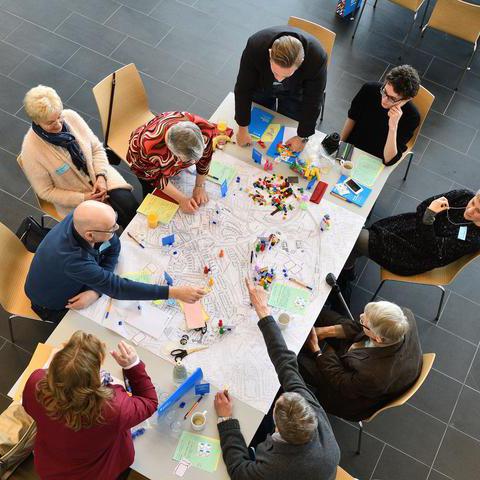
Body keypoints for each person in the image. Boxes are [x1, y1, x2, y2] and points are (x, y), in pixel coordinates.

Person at [213, 279, 340, 480]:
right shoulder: (312, 413)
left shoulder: (275, 467)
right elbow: (285, 362)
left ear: (277, 427)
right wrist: (263, 311)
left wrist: (225, 420)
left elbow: (239, 471)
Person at [25, 200, 205, 324]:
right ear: (90, 235)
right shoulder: (73, 259)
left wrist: (96, 289)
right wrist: (173, 293)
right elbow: (118, 288)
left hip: (67, 276)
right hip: (52, 303)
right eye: (111, 228)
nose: (117, 229)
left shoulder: (83, 220)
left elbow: (113, 248)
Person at [23, 331, 157, 480]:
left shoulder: (35, 383)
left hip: (52, 467)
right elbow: (149, 402)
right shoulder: (113, 408)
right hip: (97, 473)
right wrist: (133, 365)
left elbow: (30, 409)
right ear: (94, 377)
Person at [21, 85, 139, 228]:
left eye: (59, 117)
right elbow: (46, 191)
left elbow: (96, 149)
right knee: (103, 229)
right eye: (51, 123)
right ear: (36, 121)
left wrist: (101, 177)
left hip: (101, 176)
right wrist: (84, 198)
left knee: (129, 207)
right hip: (75, 198)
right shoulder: (31, 151)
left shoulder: (70, 116)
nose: (58, 124)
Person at [298, 301, 422, 422]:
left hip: (345, 393)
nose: (360, 316)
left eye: (364, 321)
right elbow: (361, 329)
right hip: (360, 353)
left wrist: (317, 351)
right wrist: (325, 332)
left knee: (295, 360)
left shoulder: (375, 376)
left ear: (377, 339)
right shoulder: (403, 316)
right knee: (319, 312)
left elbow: (341, 382)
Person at [234, 26, 328, 153]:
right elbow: (243, 88)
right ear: (269, 54)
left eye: (286, 75)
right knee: (262, 114)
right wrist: (242, 128)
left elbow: (314, 100)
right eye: (275, 72)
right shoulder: (255, 47)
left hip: (296, 90)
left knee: (289, 122)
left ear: (301, 62)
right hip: (261, 84)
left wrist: (302, 137)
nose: (279, 80)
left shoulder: (317, 58)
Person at [347, 189, 480, 276]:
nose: (469, 210)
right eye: (473, 202)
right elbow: (423, 207)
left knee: (355, 237)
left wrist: (428, 217)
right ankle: (348, 269)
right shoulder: (464, 195)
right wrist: (427, 217)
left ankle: (345, 276)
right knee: (358, 239)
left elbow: (434, 250)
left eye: (478, 211)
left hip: (413, 256)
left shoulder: (474, 238)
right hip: (408, 227)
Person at [127, 111, 232, 212]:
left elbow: (205, 158)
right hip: (143, 164)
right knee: (152, 194)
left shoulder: (204, 129)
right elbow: (155, 178)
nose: (194, 162)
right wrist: (182, 199)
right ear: (171, 152)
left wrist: (199, 186)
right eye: (187, 160)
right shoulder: (149, 146)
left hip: (172, 152)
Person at [340, 65, 420, 165]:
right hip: (353, 146)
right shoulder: (369, 89)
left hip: (377, 160)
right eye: (384, 91)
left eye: (392, 98)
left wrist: (393, 126)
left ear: (406, 99)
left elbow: (388, 160)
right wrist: (341, 144)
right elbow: (352, 118)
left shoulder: (411, 116)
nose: (384, 100)